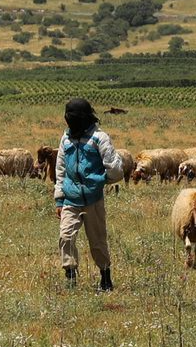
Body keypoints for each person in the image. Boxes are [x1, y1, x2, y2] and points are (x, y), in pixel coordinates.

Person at [54, 97, 123, 291]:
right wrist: (59, 199)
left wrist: (101, 181)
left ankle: (105, 278)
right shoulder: (66, 138)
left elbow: (115, 169)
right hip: (70, 198)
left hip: (93, 200)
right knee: (66, 237)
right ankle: (70, 276)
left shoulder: (99, 138)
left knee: (97, 241)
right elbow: (60, 169)